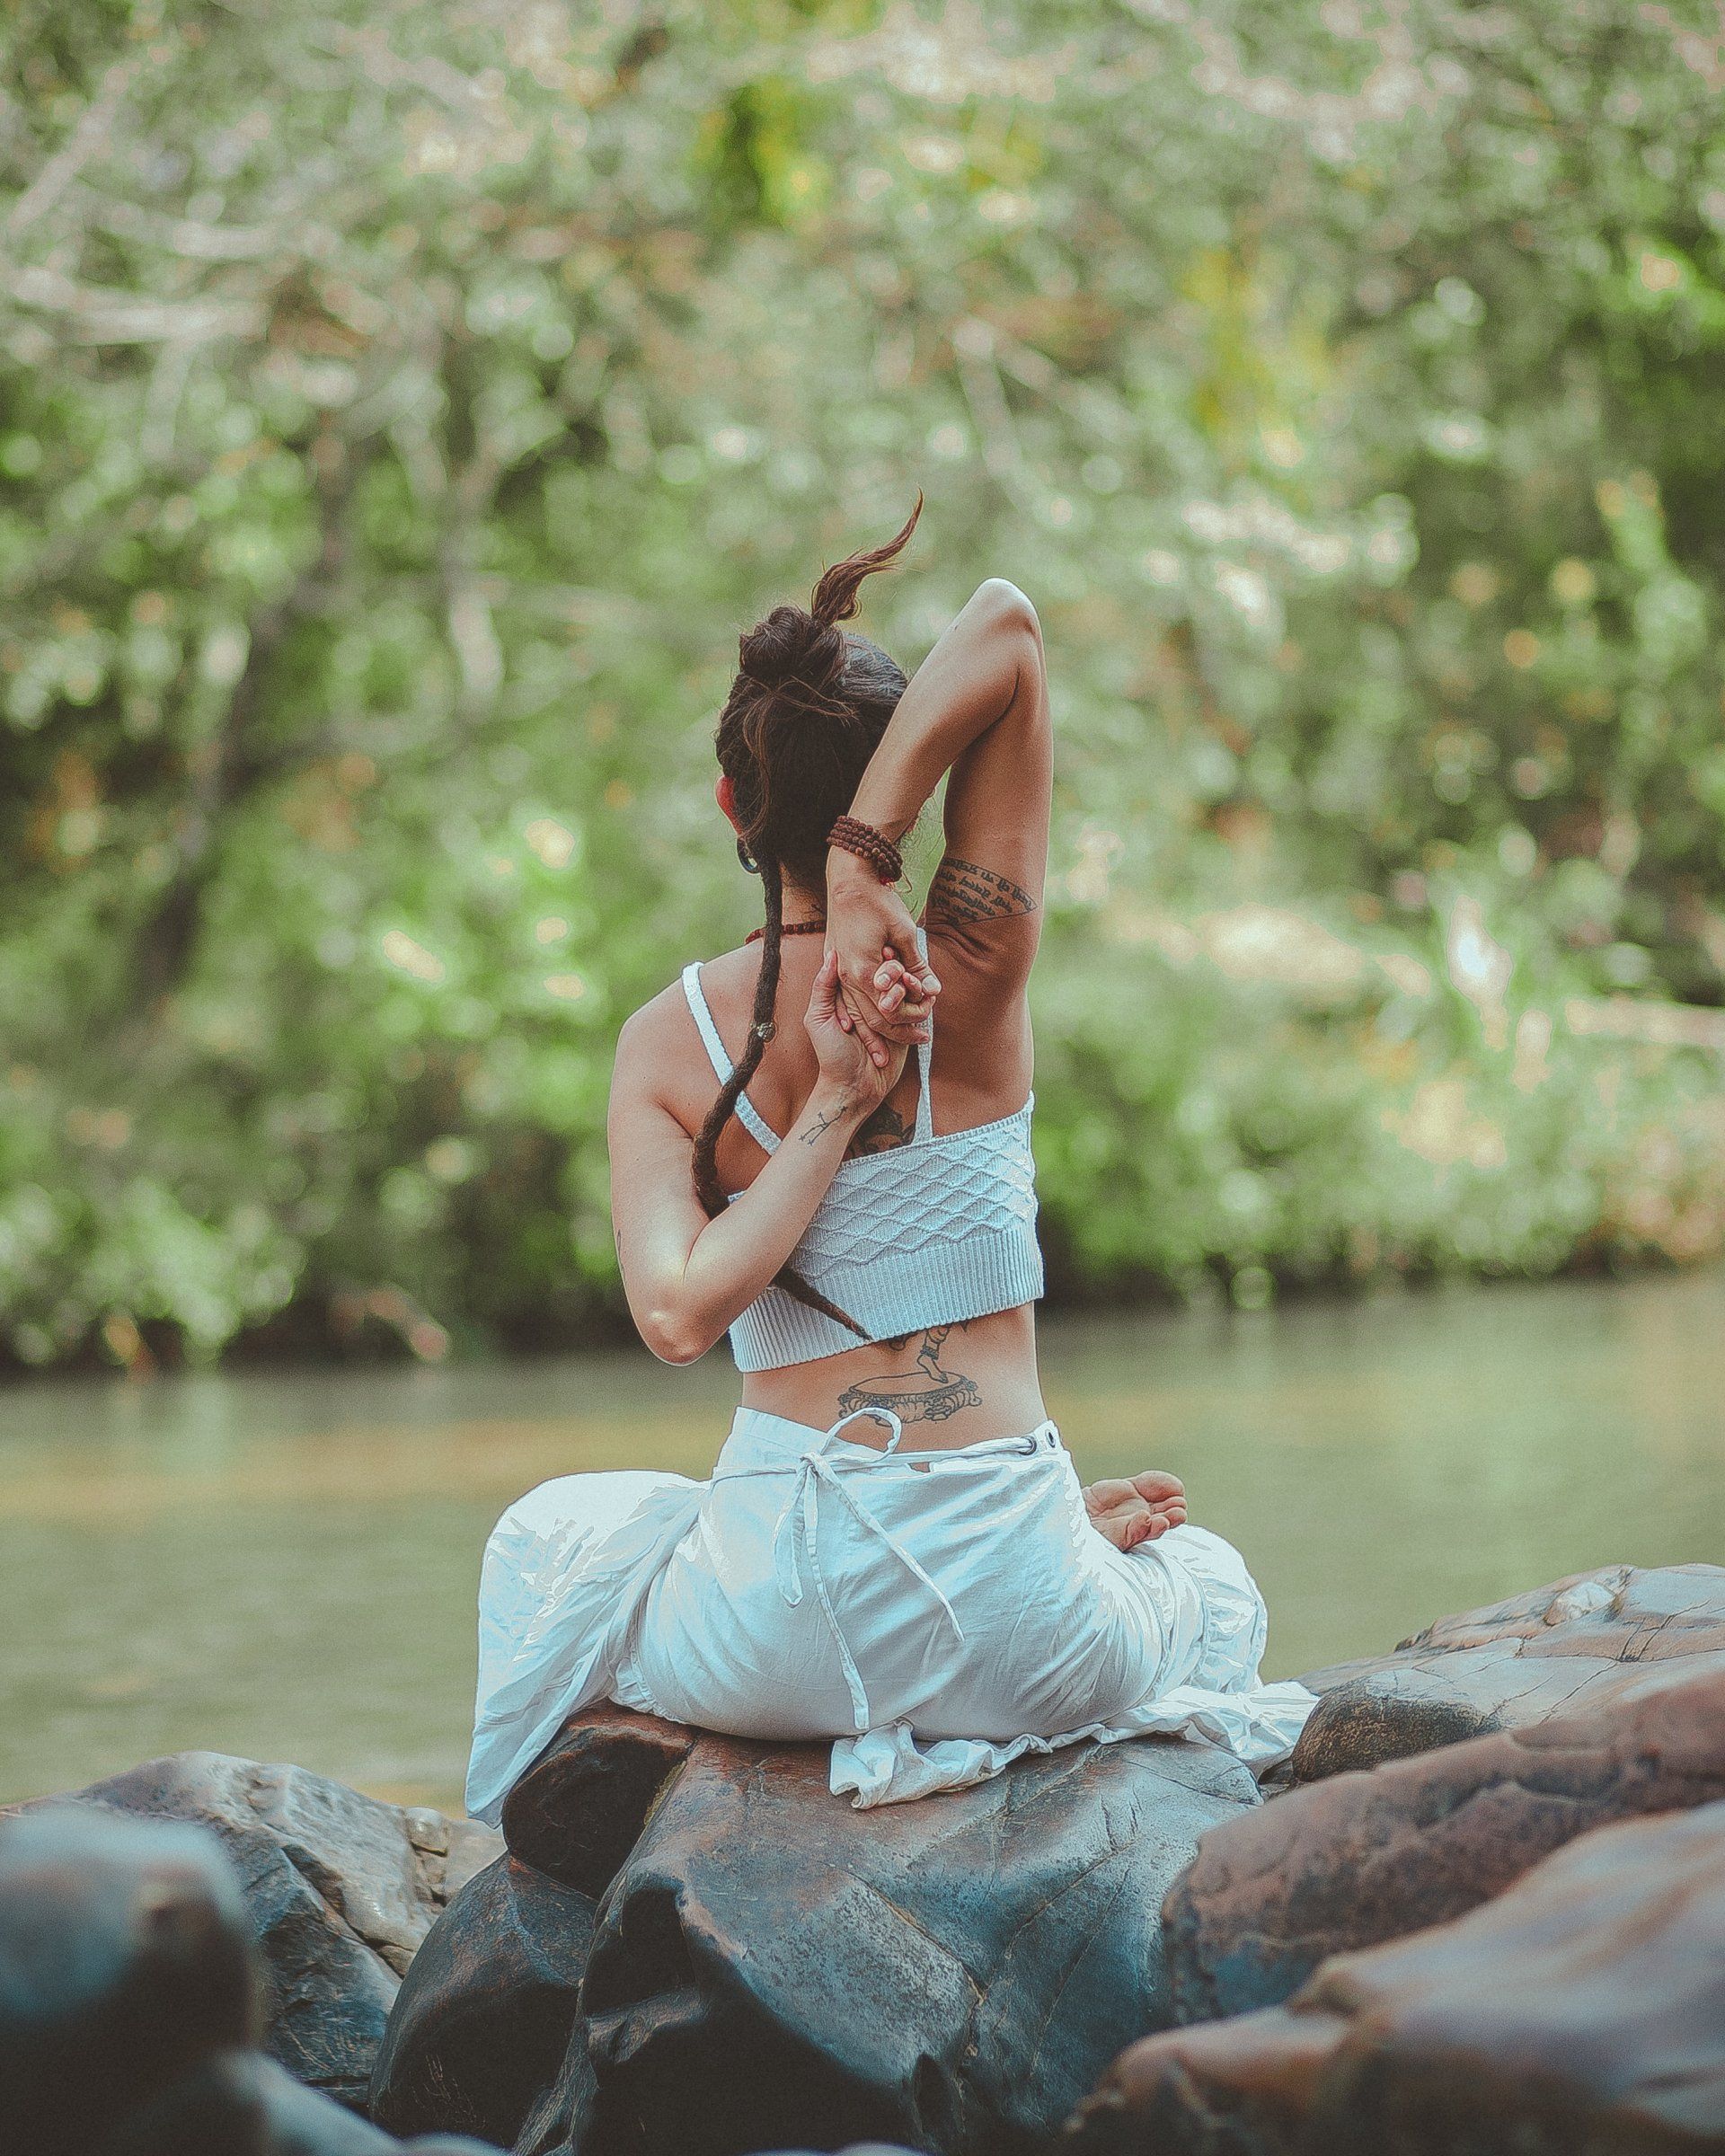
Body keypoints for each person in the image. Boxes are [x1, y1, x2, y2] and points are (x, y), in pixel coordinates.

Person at [465, 502, 1313, 1820]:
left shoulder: (665, 1046)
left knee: (552, 1541)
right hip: (1024, 1632)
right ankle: (1043, 1558)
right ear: (898, 780)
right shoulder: (967, 968)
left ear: (729, 804)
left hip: (776, 1631)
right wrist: (875, 865)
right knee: (1207, 1579)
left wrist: (814, 1082)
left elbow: (678, 1314)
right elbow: (1008, 629)